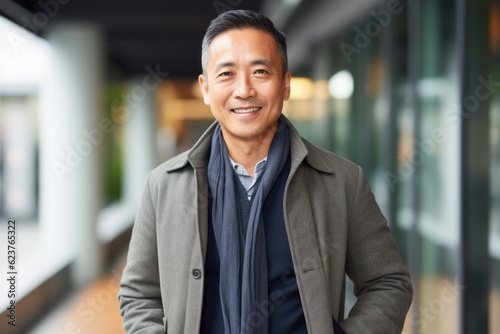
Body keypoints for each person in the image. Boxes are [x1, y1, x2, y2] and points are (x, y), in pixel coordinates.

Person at [118, 9, 412, 334]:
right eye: (226, 74)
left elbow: (388, 282)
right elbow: (138, 294)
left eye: (260, 71)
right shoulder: (164, 186)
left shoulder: (341, 182)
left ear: (285, 84)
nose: (244, 90)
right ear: (205, 88)